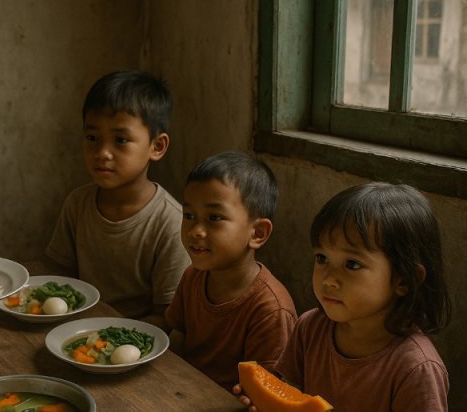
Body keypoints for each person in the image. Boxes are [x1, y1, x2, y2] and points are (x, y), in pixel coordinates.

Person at [234, 182, 451, 412]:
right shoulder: (310, 329)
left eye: (352, 264)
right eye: (322, 259)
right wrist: (263, 401)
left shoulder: (417, 368)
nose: (329, 279)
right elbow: (287, 396)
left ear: (404, 280)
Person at [45, 70, 189, 332]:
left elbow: (167, 319)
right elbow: (57, 281)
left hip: (133, 342)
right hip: (73, 332)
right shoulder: (77, 204)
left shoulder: (171, 224)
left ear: (157, 147)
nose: (102, 153)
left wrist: (105, 336)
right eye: (92, 138)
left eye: (121, 140)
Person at [165, 151, 297, 392]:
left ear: (257, 233)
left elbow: (266, 392)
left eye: (214, 217)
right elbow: (178, 339)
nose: (195, 230)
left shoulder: (270, 310)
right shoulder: (193, 276)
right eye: (189, 215)